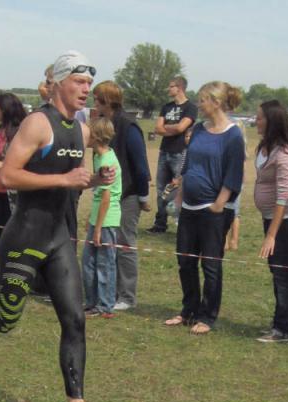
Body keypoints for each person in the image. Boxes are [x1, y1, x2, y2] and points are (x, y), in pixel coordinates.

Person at [0, 51, 115, 402]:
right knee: (6, 321)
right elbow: (8, 176)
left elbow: (69, 180)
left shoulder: (81, 130)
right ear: (58, 83)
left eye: (89, 83)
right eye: (79, 82)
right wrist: (64, 179)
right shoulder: (38, 123)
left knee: (75, 321)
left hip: (59, 239)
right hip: (24, 237)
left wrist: (92, 180)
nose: (86, 89)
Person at [164, 81, 245, 335]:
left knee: (210, 265)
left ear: (217, 102)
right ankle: (188, 310)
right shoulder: (199, 129)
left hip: (213, 210)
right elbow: (188, 164)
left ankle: (207, 316)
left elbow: (234, 173)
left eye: (202, 100)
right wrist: (180, 195)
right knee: (185, 261)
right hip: (188, 206)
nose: (199, 105)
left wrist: (219, 204)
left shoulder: (233, 135)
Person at [92, 80, 151, 311]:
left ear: (107, 100)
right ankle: (111, 291)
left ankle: (127, 296)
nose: (94, 102)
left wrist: (143, 196)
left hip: (128, 194)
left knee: (125, 244)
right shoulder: (104, 123)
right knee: (110, 244)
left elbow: (140, 165)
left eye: (97, 98)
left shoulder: (128, 125)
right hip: (110, 195)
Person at [253, 100, 288, 343]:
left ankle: (283, 330)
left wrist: (271, 235)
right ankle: (280, 324)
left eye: (260, 118)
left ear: (272, 121)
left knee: (282, 271)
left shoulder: (285, 155)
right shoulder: (266, 146)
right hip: (273, 218)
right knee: (277, 269)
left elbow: (284, 196)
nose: (256, 121)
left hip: (287, 220)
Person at [82, 117, 122, 319]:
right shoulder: (98, 156)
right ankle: (91, 302)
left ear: (96, 136)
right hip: (97, 217)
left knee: (105, 264)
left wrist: (98, 228)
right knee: (88, 262)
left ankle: (105, 306)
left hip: (107, 220)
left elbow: (106, 197)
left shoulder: (107, 161)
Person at [148, 76, 198, 233]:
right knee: (161, 190)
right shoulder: (166, 107)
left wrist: (167, 128)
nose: (168, 89)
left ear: (180, 88)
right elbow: (158, 128)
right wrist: (173, 128)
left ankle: (181, 223)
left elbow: (181, 128)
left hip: (180, 153)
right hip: (164, 152)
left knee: (178, 189)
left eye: (171, 86)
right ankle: (160, 224)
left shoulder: (190, 108)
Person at [0, 93, 27, 259]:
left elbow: (28, 160)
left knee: (12, 235)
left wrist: (7, 167)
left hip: (13, 193)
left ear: (5, 109)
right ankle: (1, 268)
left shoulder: (19, 130)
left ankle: (12, 267)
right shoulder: (0, 128)